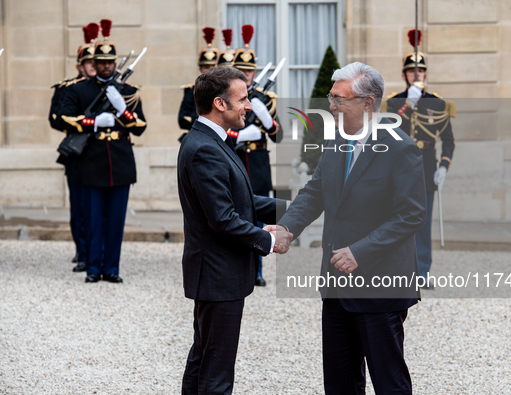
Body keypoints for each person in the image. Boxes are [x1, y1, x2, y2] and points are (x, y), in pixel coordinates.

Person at [275, 62, 426, 394]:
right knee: (340, 384)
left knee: (389, 383)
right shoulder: (336, 141)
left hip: (380, 287)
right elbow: (315, 192)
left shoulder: (401, 148)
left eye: (340, 99)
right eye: (332, 97)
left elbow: (411, 215)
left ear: (368, 103)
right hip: (336, 286)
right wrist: (288, 228)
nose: (332, 106)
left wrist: (360, 251)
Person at [177, 66, 292, 394]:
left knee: (203, 358)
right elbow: (223, 218)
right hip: (217, 273)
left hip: (217, 273)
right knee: (216, 369)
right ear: (220, 104)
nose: (249, 106)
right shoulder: (204, 149)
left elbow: (242, 198)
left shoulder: (211, 140)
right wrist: (269, 240)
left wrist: (295, 207)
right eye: (243, 99)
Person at [58, 19, 146, 283]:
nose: (107, 66)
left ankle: (112, 269)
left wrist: (123, 110)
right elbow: (64, 118)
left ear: (116, 63)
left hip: (119, 162)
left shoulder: (128, 91)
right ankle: (94, 268)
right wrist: (93, 122)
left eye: (111, 62)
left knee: (116, 221)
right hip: (91, 161)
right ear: (93, 63)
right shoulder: (79, 89)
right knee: (94, 218)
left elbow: (140, 126)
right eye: (102, 62)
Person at [384, 30, 455, 288]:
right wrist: (409, 105)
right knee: (399, 220)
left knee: (422, 225)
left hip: (426, 167)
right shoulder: (394, 103)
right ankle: (401, 270)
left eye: (421, 71)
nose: (417, 75)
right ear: (404, 75)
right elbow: (388, 131)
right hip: (400, 169)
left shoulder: (438, 103)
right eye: (412, 71)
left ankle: (422, 272)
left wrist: (444, 167)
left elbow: (448, 140)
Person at [231, 24, 284, 286]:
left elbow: (279, 136)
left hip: (259, 162)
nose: (248, 75)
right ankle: (240, 265)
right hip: (237, 159)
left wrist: (267, 119)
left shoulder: (266, 98)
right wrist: (239, 136)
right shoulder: (228, 97)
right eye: (242, 70)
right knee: (237, 214)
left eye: (250, 70)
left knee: (260, 214)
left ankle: (258, 269)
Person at [49, 22, 98, 272]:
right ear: (79, 65)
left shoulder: (109, 88)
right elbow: (55, 119)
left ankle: (99, 252)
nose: (93, 65)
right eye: (88, 62)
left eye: (96, 61)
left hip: (102, 153)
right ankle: (83, 251)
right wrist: (85, 122)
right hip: (78, 154)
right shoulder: (67, 89)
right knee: (80, 206)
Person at [177, 27, 218, 142]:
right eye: (206, 67)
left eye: (212, 67)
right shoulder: (191, 91)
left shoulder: (222, 90)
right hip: (197, 138)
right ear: (200, 69)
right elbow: (182, 120)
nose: (209, 71)